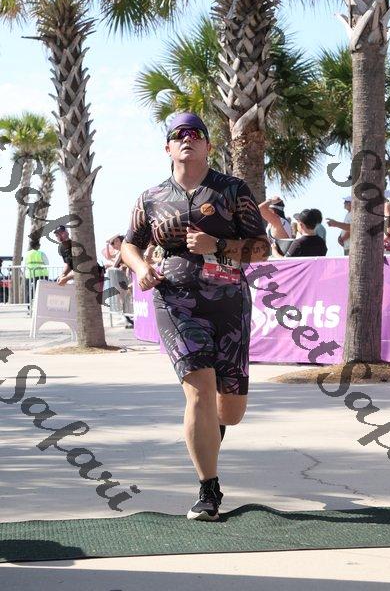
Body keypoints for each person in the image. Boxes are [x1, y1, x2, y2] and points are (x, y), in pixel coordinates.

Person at [121, 112, 269, 522]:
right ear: (168, 147)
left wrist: (216, 244)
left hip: (229, 304)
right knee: (199, 391)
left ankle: (210, 432)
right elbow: (129, 245)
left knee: (230, 411)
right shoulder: (151, 198)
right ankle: (208, 490)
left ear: (208, 145)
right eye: (178, 135)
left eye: (196, 134)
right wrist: (141, 267)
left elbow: (261, 249)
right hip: (176, 302)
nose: (187, 139)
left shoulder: (232, 190)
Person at [102, 234, 134, 327]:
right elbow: (109, 257)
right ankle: (127, 318)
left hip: (124, 279)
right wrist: (107, 244)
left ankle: (129, 318)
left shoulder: (122, 251)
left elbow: (114, 264)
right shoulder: (119, 252)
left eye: (115, 242)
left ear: (120, 241)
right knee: (123, 299)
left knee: (126, 298)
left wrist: (109, 265)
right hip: (120, 279)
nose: (113, 244)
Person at [24, 239, 49, 310]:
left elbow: (24, 264)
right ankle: (41, 307)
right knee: (41, 291)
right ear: (38, 245)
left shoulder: (26, 254)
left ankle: (29, 308)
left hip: (29, 275)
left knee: (29, 291)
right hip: (41, 275)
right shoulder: (41, 253)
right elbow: (47, 263)